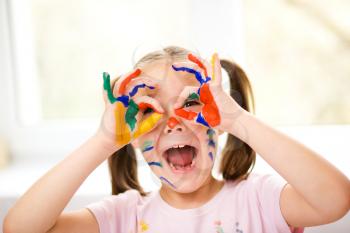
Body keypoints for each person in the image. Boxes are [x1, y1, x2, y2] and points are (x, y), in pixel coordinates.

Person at [3, 46, 349, 233]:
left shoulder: (259, 201)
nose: (172, 122)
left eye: (190, 103)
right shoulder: (123, 219)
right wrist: (104, 141)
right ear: (134, 137)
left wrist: (238, 120)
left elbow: (334, 199)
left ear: (216, 121)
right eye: (151, 111)